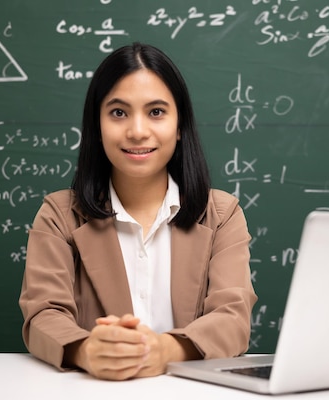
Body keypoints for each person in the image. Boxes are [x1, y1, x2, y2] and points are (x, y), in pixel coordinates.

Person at [19, 42, 257, 381]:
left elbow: (233, 318)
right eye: (118, 112)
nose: (138, 131)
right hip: (92, 398)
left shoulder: (222, 214)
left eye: (156, 112)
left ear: (179, 126)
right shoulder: (58, 215)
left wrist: (163, 351)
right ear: (97, 127)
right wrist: (87, 350)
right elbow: (43, 315)